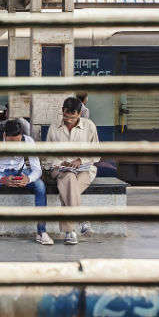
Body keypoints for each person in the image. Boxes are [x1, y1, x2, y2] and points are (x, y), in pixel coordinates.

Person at [0, 119, 48, 247]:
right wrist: (2, 180)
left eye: (17, 141)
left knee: (40, 185)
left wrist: (28, 179)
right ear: (5, 135)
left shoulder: (28, 141)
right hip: (0, 172)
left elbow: (37, 169)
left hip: (21, 172)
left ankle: (41, 232)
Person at [43, 97, 100, 245]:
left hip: (84, 170)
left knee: (67, 188)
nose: (69, 121)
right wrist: (61, 162)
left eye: (73, 118)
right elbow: (47, 157)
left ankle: (70, 232)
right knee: (68, 178)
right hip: (60, 169)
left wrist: (80, 160)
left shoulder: (89, 126)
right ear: (62, 111)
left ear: (80, 113)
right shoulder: (54, 127)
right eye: (66, 117)